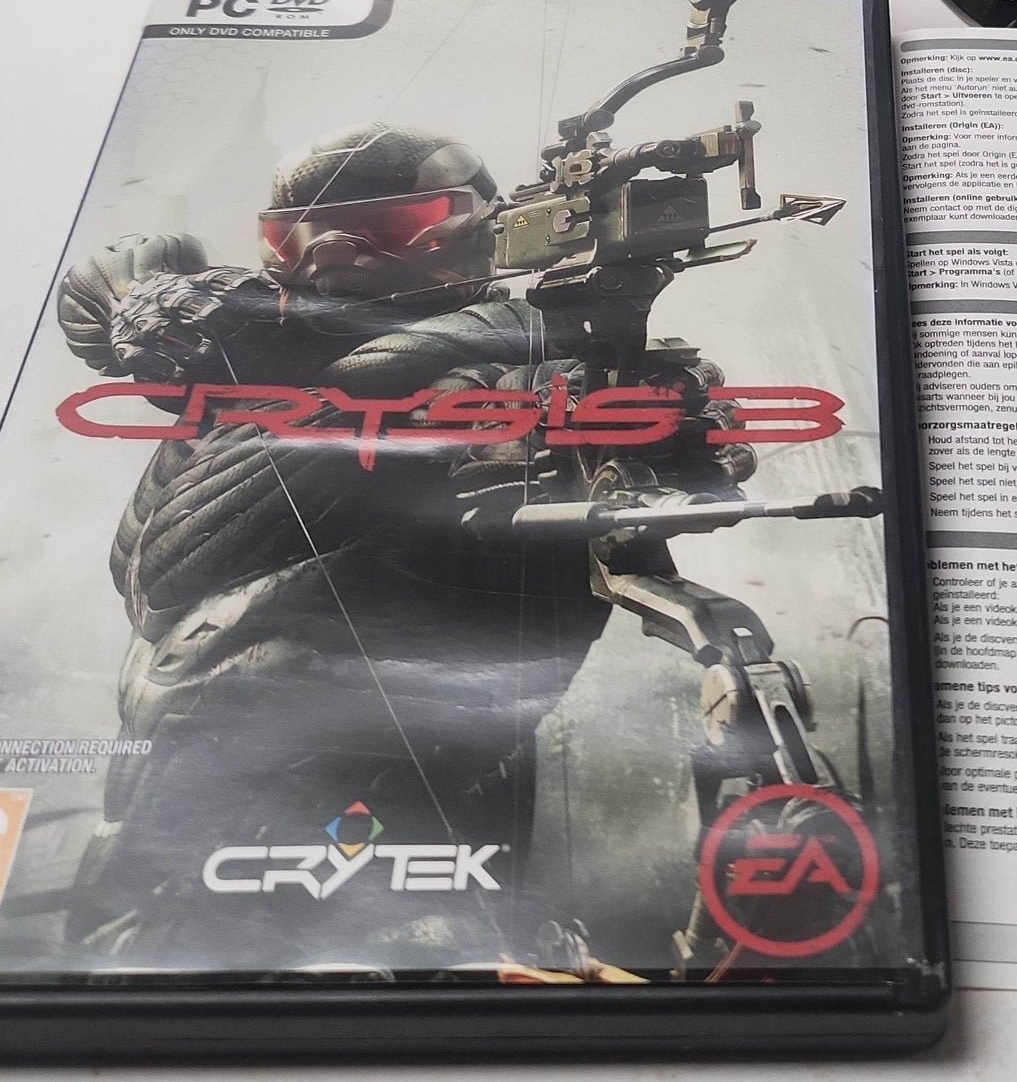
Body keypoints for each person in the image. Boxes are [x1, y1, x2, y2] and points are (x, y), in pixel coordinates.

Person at [54, 121, 746, 970]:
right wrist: (158, 304)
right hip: (150, 860)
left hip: (384, 861)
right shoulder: (235, 368)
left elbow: (621, 454)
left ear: (475, 230)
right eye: (297, 235)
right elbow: (111, 277)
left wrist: (630, 417)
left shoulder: (506, 373)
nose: (332, 254)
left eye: (384, 227)